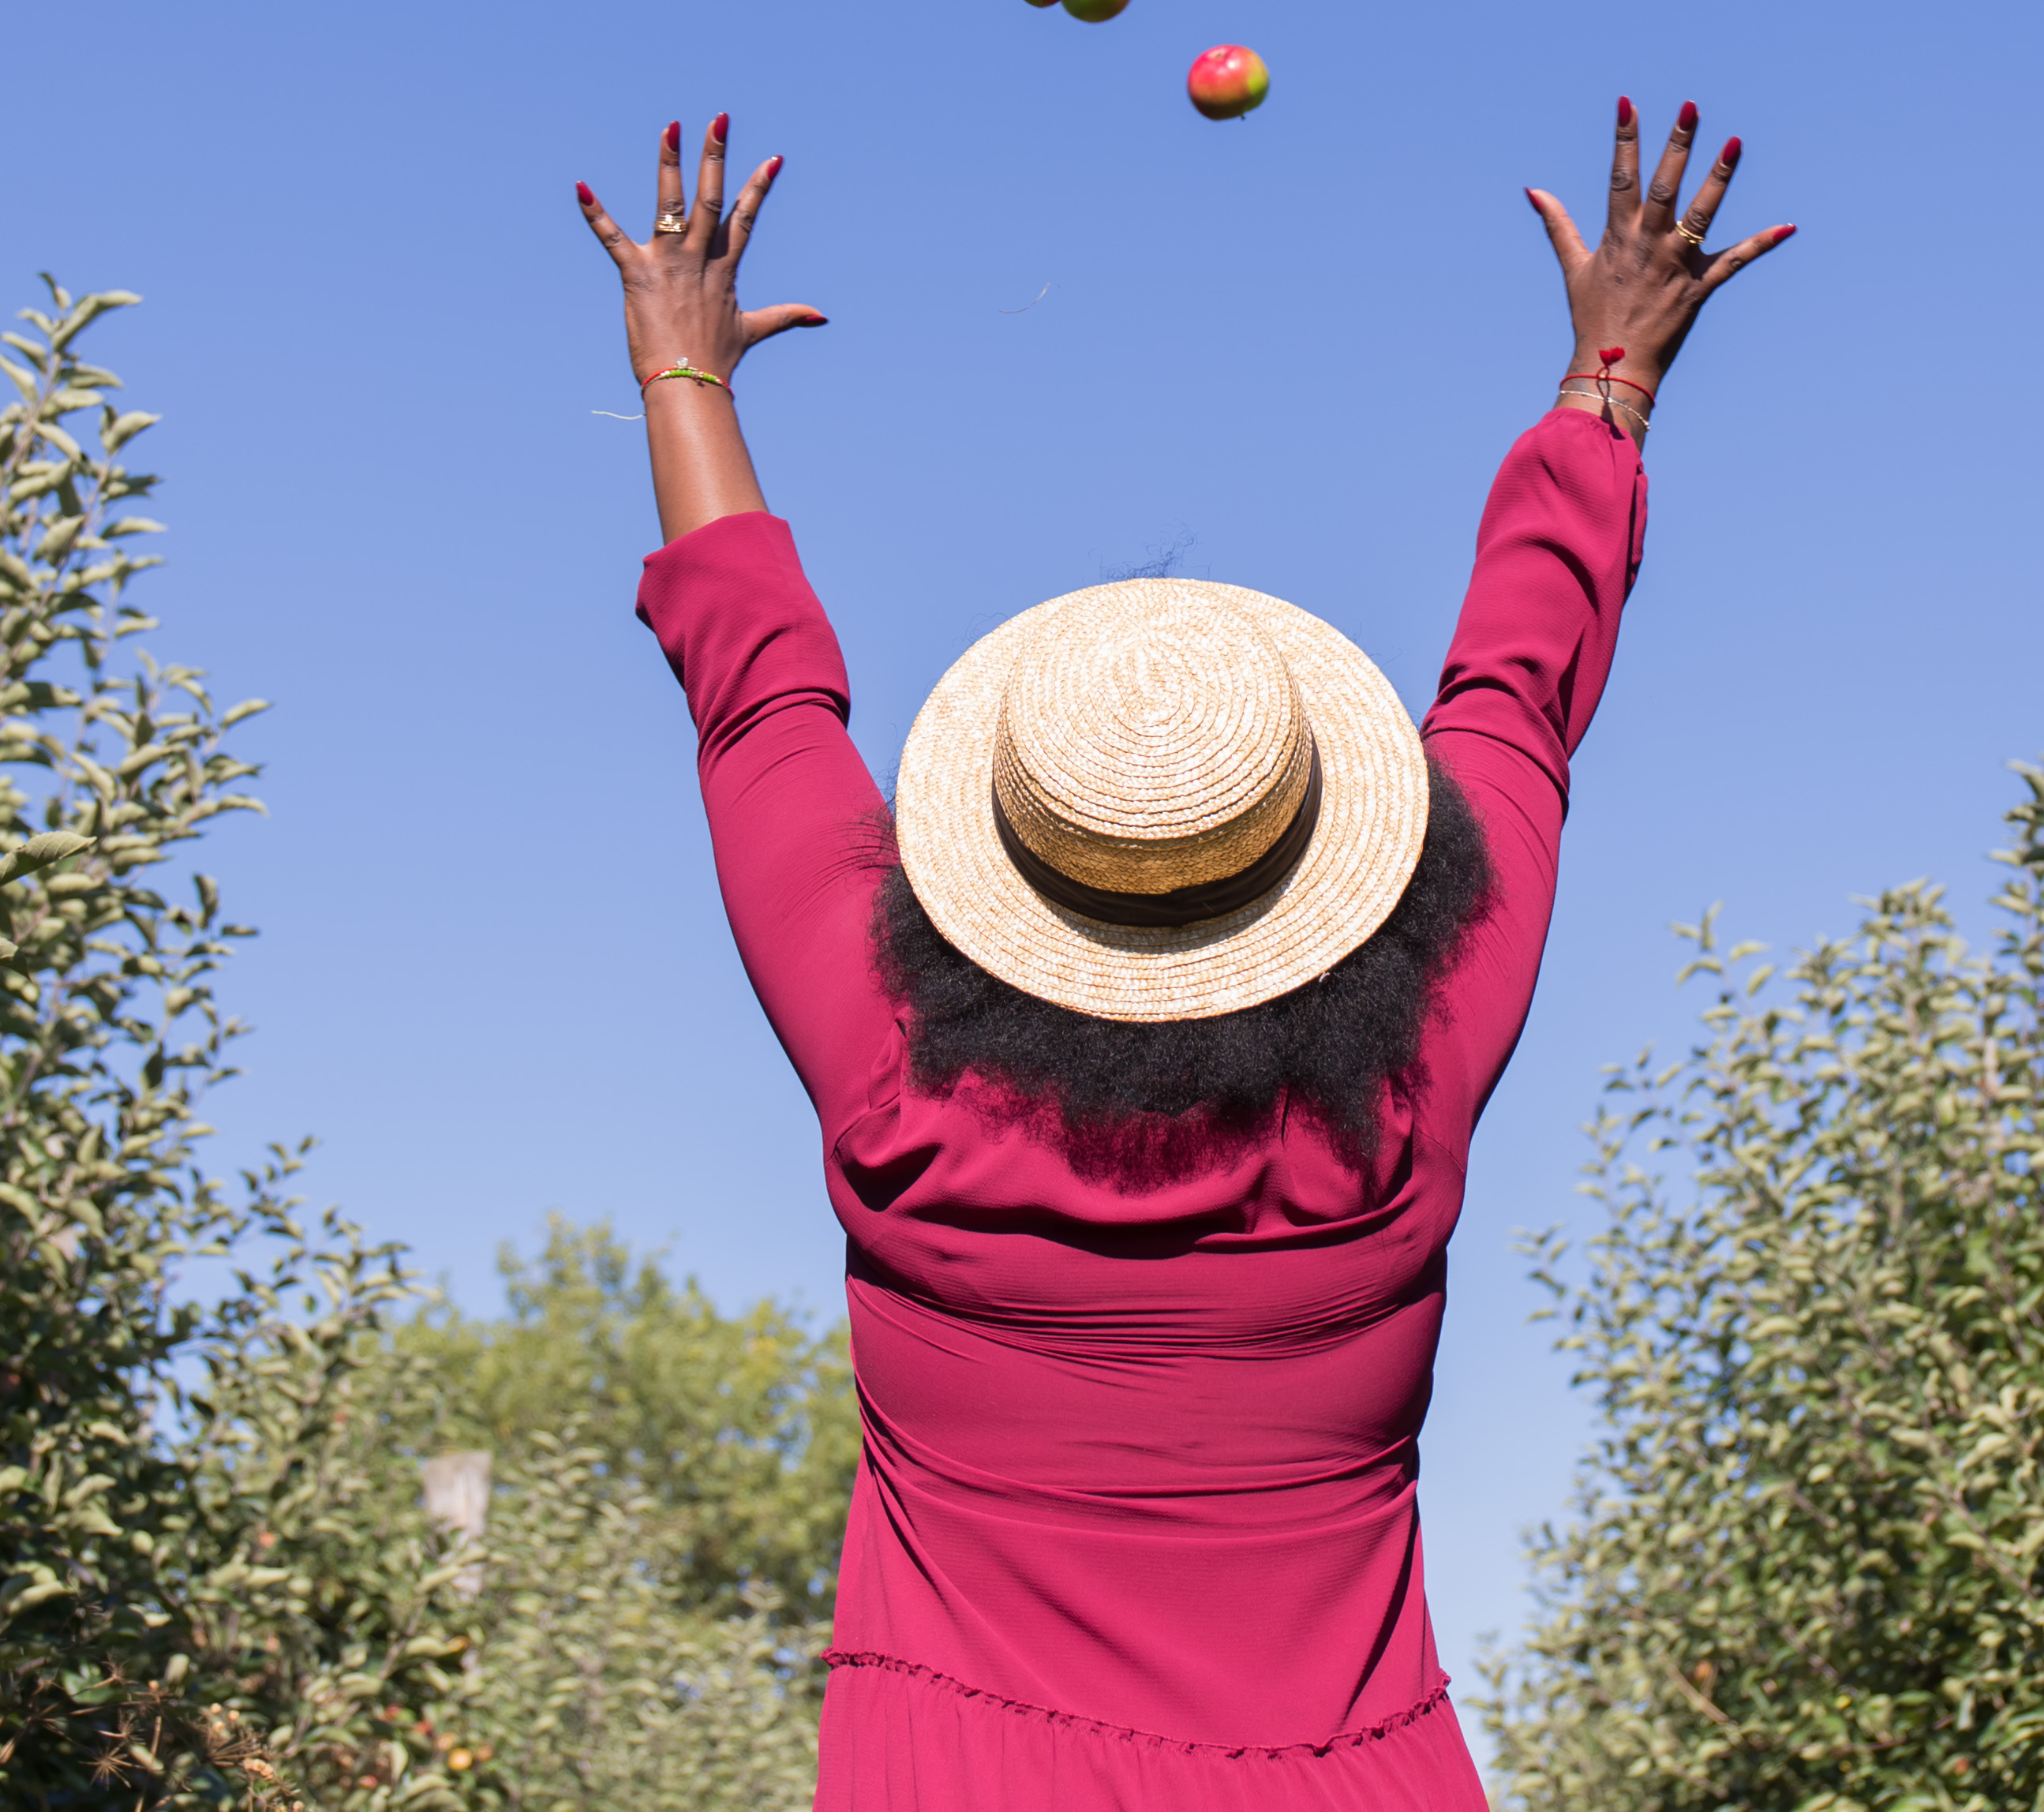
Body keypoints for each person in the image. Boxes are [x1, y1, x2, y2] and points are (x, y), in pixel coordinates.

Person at [578, 97, 1791, 1809]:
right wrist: (1613, 382)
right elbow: (1517, 700)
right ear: (1330, 857)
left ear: (1004, 853)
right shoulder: (1406, 1089)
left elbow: (758, 693)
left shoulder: (894, 1080)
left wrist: (681, 375)